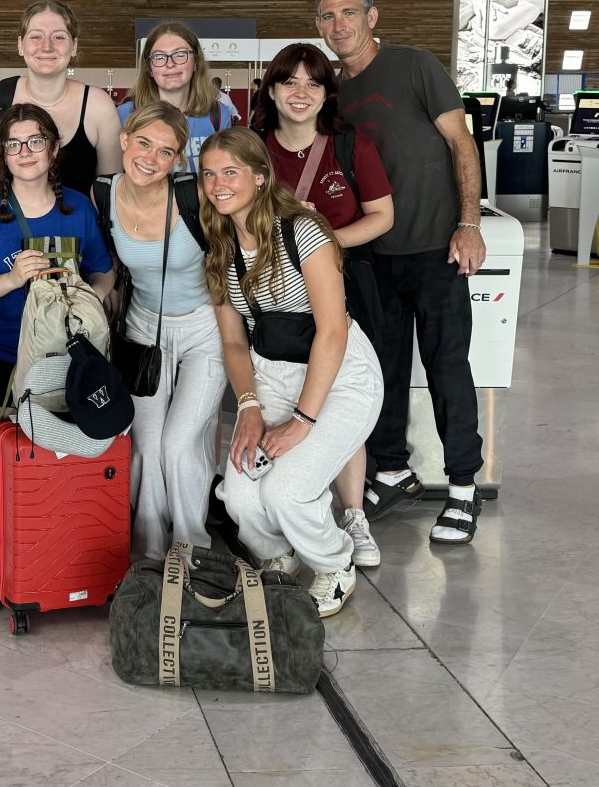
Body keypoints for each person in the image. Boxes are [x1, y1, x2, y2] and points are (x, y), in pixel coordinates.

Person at [316, 0, 486, 544]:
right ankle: (391, 470)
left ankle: (463, 486)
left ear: (372, 17)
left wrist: (468, 223)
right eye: (326, 16)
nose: (338, 24)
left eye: (347, 12)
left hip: (435, 250)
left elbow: (463, 143)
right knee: (381, 372)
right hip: (371, 258)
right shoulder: (330, 93)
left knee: (445, 367)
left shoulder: (416, 66)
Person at [201, 129, 382, 617]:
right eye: (209, 173)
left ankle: (334, 563)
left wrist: (302, 419)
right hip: (271, 376)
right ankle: (278, 558)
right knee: (238, 493)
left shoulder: (304, 230)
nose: (218, 184)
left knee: (287, 492)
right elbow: (235, 342)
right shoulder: (219, 248)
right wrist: (249, 408)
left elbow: (332, 333)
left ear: (260, 178)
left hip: (339, 377)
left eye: (231, 172)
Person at [253, 42, 395, 567]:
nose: (301, 93)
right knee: (287, 397)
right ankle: (293, 505)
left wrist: (324, 239)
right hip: (274, 296)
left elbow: (383, 216)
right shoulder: (255, 150)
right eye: (290, 81)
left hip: (344, 286)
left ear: (326, 95)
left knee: (338, 402)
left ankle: (352, 514)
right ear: (271, 89)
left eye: (314, 83)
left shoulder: (349, 146)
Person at [98, 103, 225, 560]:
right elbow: (106, 265)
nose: (151, 157)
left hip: (203, 330)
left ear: (178, 160)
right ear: (124, 140)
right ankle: (150, 556)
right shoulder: (102, 194)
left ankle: (191, 549)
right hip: (142, 332)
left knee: (178, 443)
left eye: (165, 151)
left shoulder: (194, 195)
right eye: (144, 143)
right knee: (147, 447)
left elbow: (251, 214)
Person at [0, 103, 115, 409]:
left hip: (67, 353)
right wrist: (11, 279)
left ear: (54, 148)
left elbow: (103, 270)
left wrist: (90, 299)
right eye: (13, 144)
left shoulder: (78, 207)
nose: (25, 152)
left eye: (36, 141)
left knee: (58, 451)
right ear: (2, 153)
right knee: (5, 451)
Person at [0, 0, 122, 194]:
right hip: (3, 222)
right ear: (20, 45)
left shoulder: (99, 106)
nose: (47, 46)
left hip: (78, 224)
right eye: (36, 37)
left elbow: (110, 194)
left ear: (74, 46)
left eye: (58, 37)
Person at [117, 21, 233, 172]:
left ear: (196, 62)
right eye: (159, 57)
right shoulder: (126, 114)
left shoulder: (218, 114)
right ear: (150, 69)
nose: (170, 64)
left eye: (180, 54)